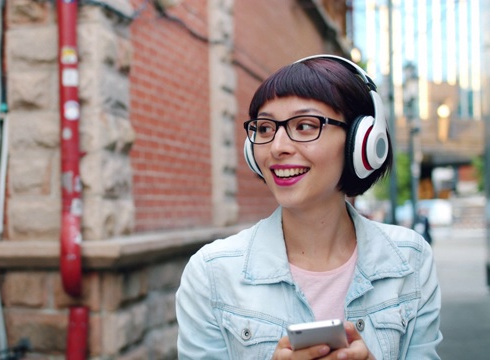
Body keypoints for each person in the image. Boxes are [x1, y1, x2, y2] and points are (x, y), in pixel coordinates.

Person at [175, 55, 442, 359]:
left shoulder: (411, 261)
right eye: (264, 129)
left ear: (363, 141)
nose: (277, 147)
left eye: (304, 125)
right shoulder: (212, 273)